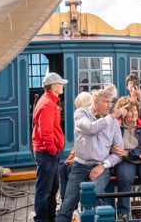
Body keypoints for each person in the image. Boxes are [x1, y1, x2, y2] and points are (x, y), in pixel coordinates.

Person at [56, 89, 127, 222]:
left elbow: (119, 154)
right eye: (105, 102)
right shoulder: (81, 113)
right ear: (95, 102)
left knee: (95, 196)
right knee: (67, 205)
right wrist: (111, 116)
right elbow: (91, 128)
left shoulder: (113, 123)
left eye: (110, 102)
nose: (109, 105)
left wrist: (103, 165)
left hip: (101, 167)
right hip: (80, 165)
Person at [111, 97, 141, 219]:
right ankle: (123, 213)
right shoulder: (116, 125)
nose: (134, 113)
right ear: (123, 112)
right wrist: (112, 149)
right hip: (124, 160)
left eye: (135, 110)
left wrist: (129, 153)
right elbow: (108, 142)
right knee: (125, 177)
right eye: (130, 111)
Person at [32, 72, 68, 222]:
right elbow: (45, 132)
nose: (63, 86)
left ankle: (50, 217)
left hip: (50, 152)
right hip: (47, 153)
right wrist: (53, 150)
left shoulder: (49, 101)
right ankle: (42, 219)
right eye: (60, 84)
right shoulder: (47, 104)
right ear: (54, 87)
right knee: (44, 190)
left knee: (52, 188)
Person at [59, 91, 94, 200]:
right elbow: (79, 143)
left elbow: (88, 146)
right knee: (62, 168)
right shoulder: (83, 118)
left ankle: (71, 202)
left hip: (90, 160)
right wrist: (72, 155)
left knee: (69, 169)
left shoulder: (90, 121)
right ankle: (65, 201)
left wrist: (75, 158)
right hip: (81, 156)